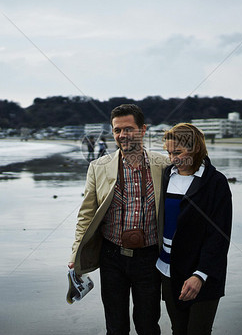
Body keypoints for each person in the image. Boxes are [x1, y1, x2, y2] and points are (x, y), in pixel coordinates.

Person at [68, 104, 170, 335]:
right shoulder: (98, 167)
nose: (122, 135)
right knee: (115, 327)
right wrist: (76, 252)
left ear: (143, 130)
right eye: (117, 130)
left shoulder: (163, 165)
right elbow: (86, 213)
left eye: (128, 129)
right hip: (111, 257)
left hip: (150, 258)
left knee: (148, 325)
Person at [156, 123, 232, 335]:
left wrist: (200, 274)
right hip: (167, 269)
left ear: (195, 148)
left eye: (178, 152)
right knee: (178, 329)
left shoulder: (216, 182)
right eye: (169, 152)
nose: (172, 158)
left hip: (201, 272)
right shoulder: (166, 175)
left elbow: (219, 235)